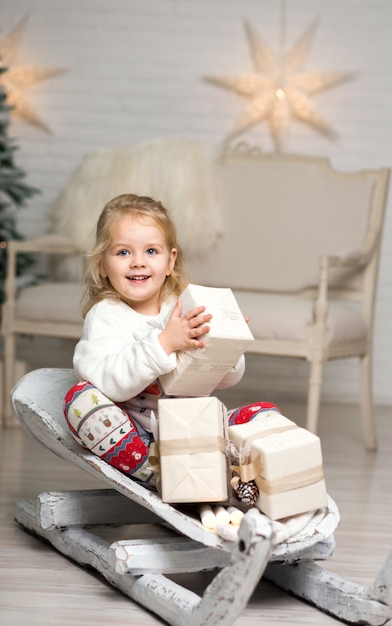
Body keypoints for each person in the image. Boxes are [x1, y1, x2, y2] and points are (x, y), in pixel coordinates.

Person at [64, 193, 279, 488]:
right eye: (123, 253)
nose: (138, 262)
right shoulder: (106, 316)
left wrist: (226, 346)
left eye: (151, 251)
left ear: (170, 261)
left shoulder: (182, 306)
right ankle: (159, 474)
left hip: (198, 430)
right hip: (141, 438)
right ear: (102, 264)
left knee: (266, 416)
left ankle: (225, 473)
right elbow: (109, 383)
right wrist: (164, 343)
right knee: (79, 401)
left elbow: (224, 380)